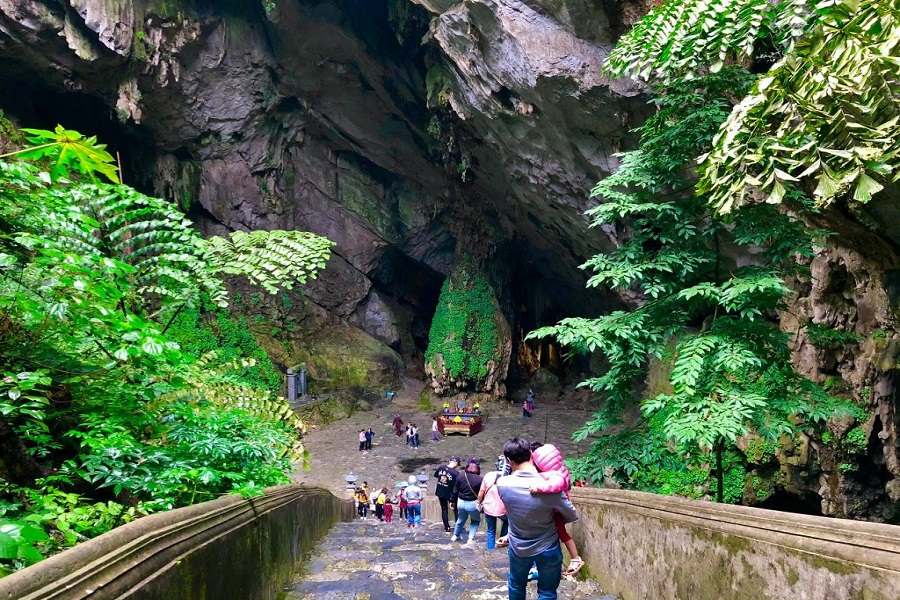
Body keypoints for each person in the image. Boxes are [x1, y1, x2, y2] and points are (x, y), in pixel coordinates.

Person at [498, 437, 577, 600]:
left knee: (516, 585)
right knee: (547, 592)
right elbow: (571, 515)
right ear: (531, 453)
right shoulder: (551, 486)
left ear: (508, 460)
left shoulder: (502, 484)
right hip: (548, 546)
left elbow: (512, 512)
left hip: (518, 547)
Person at [530, 443, 584, 576]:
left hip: (555, 510)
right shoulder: (561, 469)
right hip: (558, 508)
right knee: (557, 535)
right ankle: (562, 563)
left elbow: (556, 485)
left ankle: (575, 558)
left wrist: (539, 488)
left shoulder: (553, 476)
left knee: (559, 533)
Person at [478, 455, 509, 550]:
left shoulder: (488, 475)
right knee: (507, 522)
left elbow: (481, 492)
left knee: (491, 530)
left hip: (489, 507)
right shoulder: (510, 477)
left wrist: (479, 502)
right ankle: (502, 543)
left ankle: (490, 550)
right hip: (503, 509)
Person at [451, 460, 483, 545]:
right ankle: (470, 539)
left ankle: (455, 535)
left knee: (460, 519)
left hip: (460, 502)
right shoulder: (480, 479)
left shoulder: (461, 475)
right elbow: (481, 493)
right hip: (472, 503)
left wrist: (452, 501)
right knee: (475, 521)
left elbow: (455, 490)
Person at [433, 458, 459, 532]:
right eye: (458, 464)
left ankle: (447, 527)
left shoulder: (441, 467)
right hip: (450, 494)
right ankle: (457, 527)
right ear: (456, 463)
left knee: (444, 509)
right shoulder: (455, 473)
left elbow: (436, 475)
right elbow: (456, 485)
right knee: (455, 510)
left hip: (440, 491)